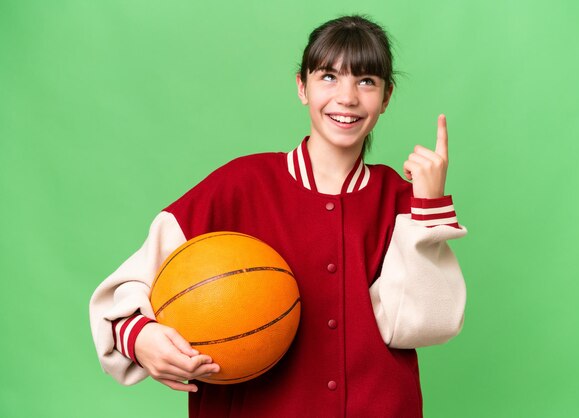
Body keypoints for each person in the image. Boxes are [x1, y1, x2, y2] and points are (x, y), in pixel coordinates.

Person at [90, 15, 467, 418]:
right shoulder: (239, 185)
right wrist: (140, 337)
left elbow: (424, 326)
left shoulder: (399, 197)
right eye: (328, 77)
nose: (347, 97)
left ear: (386, 97)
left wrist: (428, 206)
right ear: (301, 87)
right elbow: (124, 294)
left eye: (366, 81)